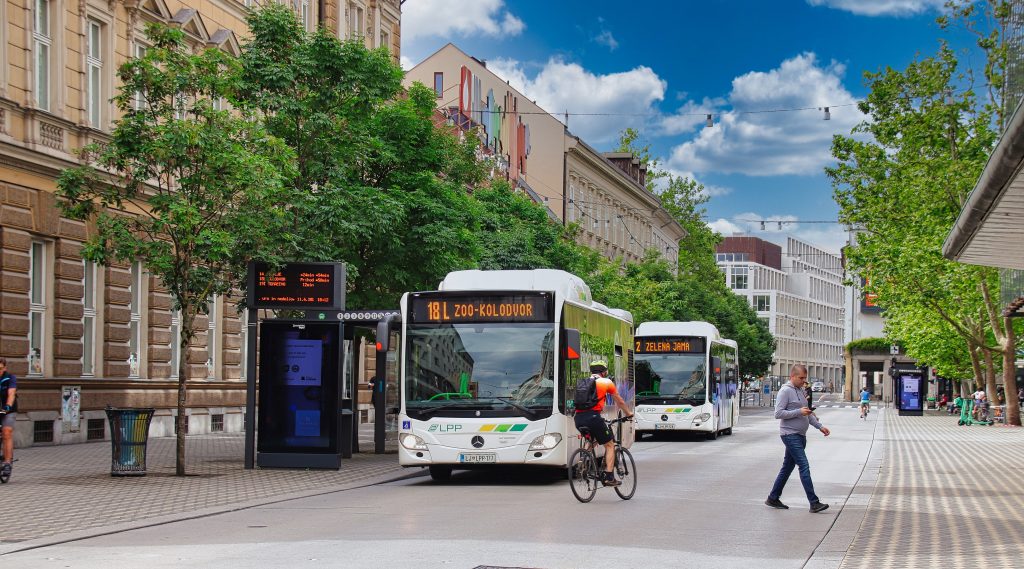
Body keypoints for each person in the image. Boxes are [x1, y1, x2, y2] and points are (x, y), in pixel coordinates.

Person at [766, 364, 831, 513]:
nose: (803, 381)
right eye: (801, 378)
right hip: (790, 434)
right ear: (792, 376)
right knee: (804, 465)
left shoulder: (801, 391)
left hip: (800, 435)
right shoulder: (785, 391)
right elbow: (778, 413)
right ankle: (814, 503)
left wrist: (820, 426)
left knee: (787, 467)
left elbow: (806, 413)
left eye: (805, 378)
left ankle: (773, 497)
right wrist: (798, 412)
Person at [573, 360, 633, 487]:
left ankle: (582, 461)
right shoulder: (606, 382)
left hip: (578, 418)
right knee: (610, 445)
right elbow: (620, 401)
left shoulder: (582, 382)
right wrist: (629, 414)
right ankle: (609, 477)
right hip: (593, 418)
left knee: (592, 440)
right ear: (604, 372)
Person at [0, 357, 16, 478]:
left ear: (4, 367)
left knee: (6, 431)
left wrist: (7, 406)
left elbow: (11, 394)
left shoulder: (10, 378)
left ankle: (7, 462)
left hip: (8, 410)